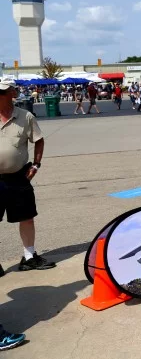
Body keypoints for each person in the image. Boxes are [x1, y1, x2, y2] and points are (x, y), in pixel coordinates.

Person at [0, 81, 56, 273]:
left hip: (18, 176)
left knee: (26, 218)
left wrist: (36, 164)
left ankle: (29, 256)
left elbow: (39, 140)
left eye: (4, 91)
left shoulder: (25, 116)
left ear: (9, 94)